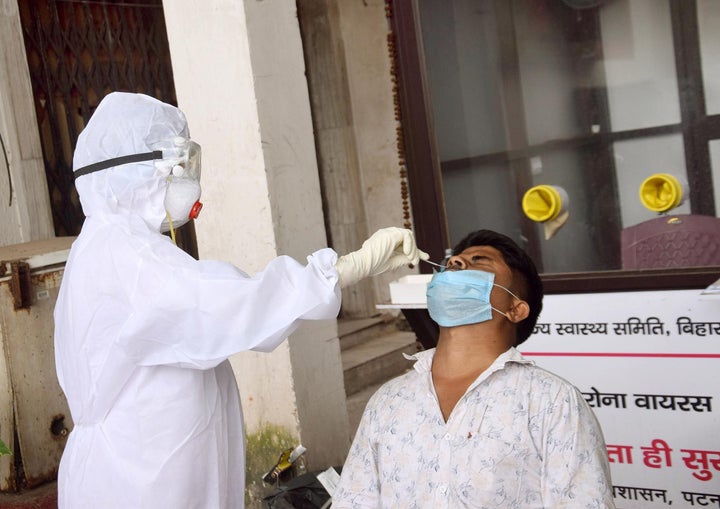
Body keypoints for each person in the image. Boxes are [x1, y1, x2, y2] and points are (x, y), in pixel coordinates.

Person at [53, 91, 427, 508]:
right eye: (175, 166)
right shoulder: (124, 253)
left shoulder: (114, 243)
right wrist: (345, 268)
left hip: (146, 455)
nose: (186, 178)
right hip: (142, 472)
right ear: (136, 173)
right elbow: (222, 305)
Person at [333, 229, 616, 508]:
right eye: (451, 261)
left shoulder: (551, 402)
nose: (455, 262)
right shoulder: (388, 402)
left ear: (516, 309)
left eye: (480, 260)